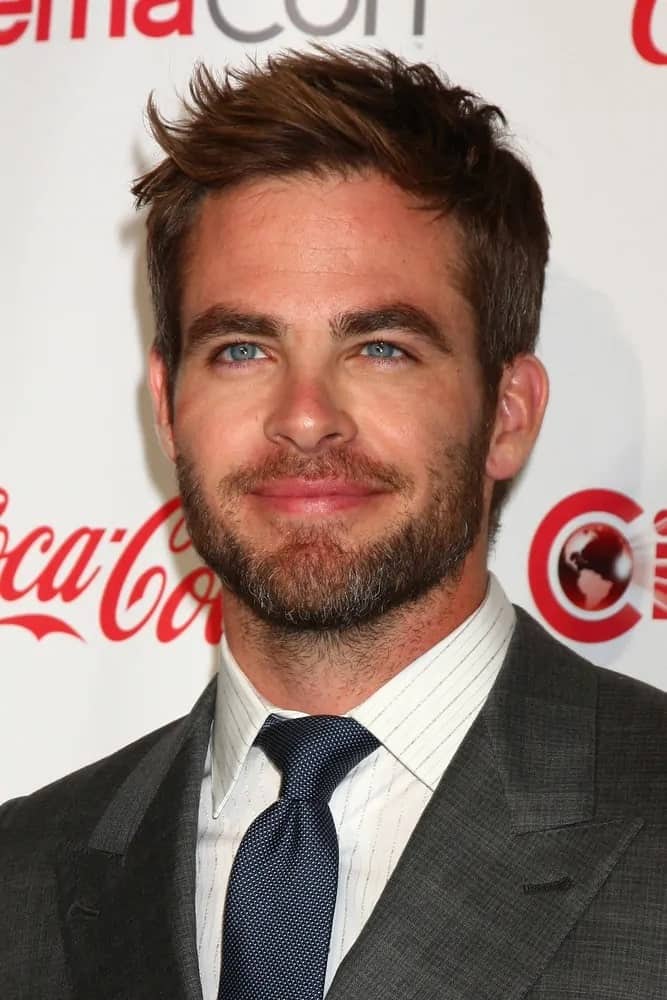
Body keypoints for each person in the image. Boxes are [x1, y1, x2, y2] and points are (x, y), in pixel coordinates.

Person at [1, 47, 664, 1000]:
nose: (305, 416)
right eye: (241, 348)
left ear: (506, 413)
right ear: (166, 404)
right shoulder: (21, 878)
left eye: (381, 347)